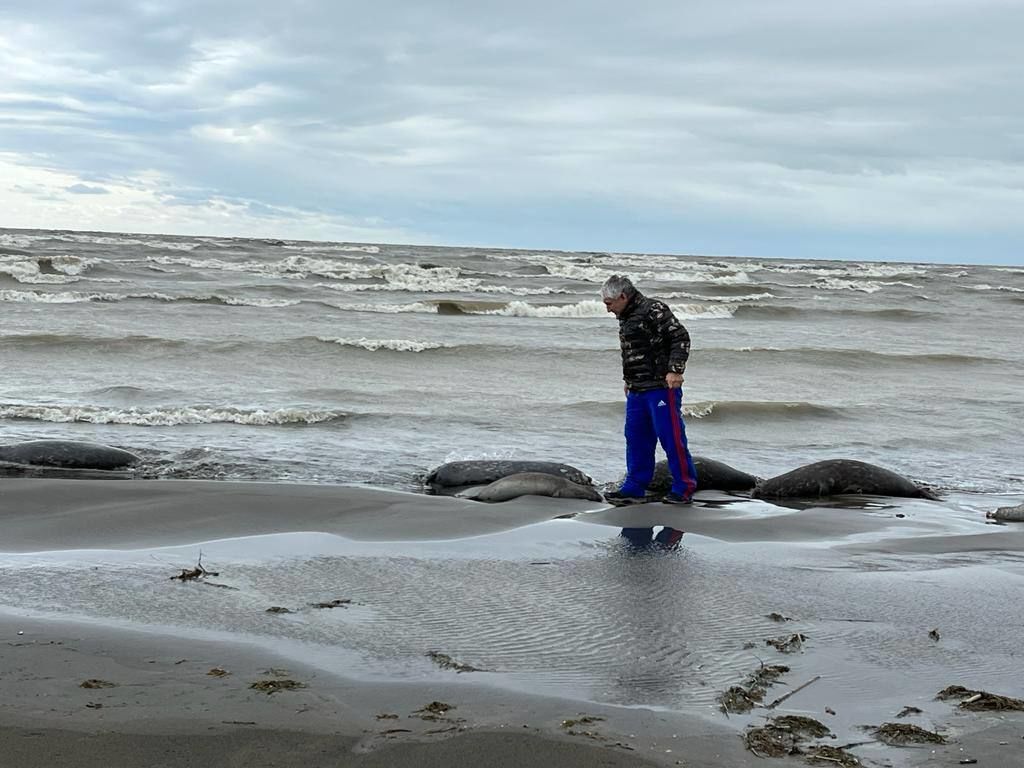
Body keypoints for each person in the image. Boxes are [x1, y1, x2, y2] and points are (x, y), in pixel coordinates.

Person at [601, 274, 697, 505]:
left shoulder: (653, 309)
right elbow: (634, 352)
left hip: (661, 387)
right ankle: (634, 486)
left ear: (623, 296)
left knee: (671, 438)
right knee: (636, 438)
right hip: (637, 389)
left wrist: (675, 370)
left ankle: (684, 488)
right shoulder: (626, 316)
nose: (608, 310)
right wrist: (629, 379)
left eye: (609, 303)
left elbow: (680, 337)